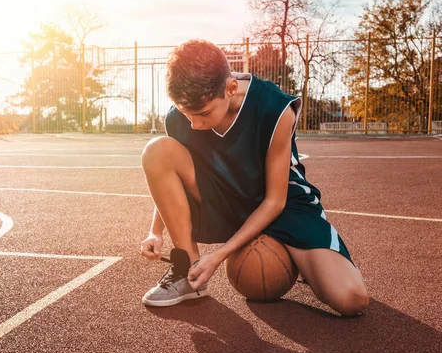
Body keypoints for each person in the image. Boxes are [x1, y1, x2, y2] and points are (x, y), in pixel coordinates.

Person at [140, 39, 368, 316]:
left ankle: (299, 260)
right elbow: (169, 177)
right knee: (156, 150)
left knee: (352, 300)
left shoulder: (274, 108)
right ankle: (186, 270)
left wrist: (220, 255)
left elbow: (274, 201)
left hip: (282, 203)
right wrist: (156, 231)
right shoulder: (182, 116)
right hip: (224, 198)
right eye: (187, 114)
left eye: (202, 114)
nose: (194, 124)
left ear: (231, 88)